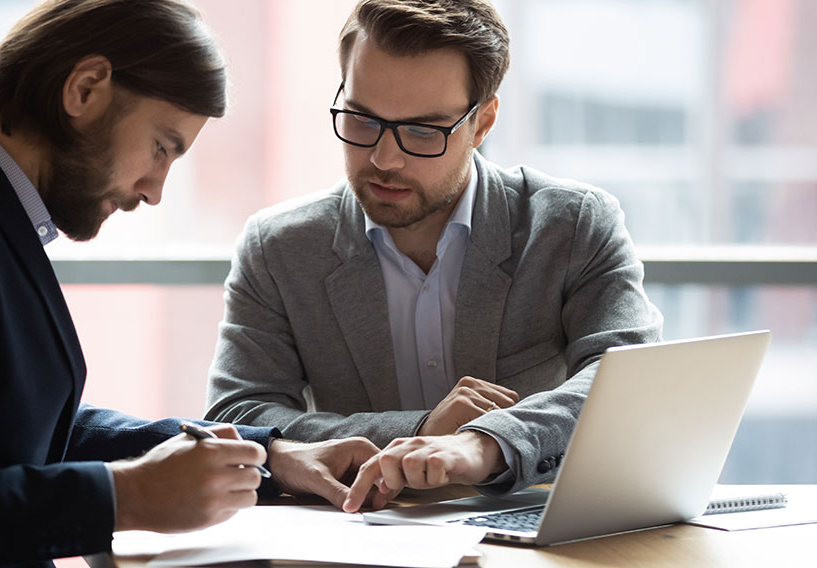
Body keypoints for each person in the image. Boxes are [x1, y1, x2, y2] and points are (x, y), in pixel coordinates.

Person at [0, 1, 385, 566]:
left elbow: (9, 422)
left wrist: (263, 457)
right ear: (85, 88)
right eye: (162, 147)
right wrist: (123, 498)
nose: (154, 190)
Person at [203, 0, 663, 510]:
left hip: (536, 531)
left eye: (423, 131)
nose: (383, 158)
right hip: (360, 538)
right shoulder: (279, 249)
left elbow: (630, 380)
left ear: (482, 122)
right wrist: (419, 430)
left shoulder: (570, 226)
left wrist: (483, 443)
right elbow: (237, 417)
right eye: (361, 119)